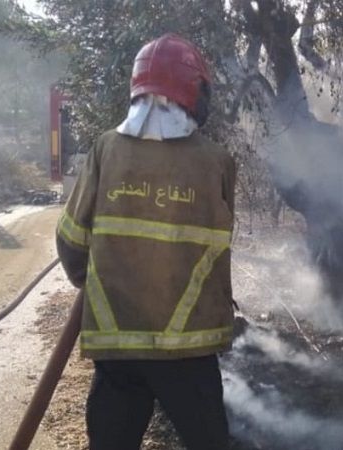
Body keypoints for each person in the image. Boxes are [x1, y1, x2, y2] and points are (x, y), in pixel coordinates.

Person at [56, 34, 236, 450]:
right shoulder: (218, 162)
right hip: (191, 352)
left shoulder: (105, 150)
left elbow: (70, 242)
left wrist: (99, 283)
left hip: (118, 344)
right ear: (195, 90)